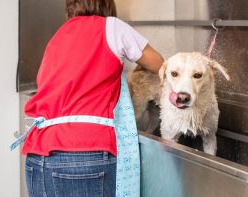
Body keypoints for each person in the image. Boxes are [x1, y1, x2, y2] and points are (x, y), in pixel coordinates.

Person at [19, 0, 164, 196]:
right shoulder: (112, 26)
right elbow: (160, 64)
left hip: (37, 159)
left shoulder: (59, 35)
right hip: (85, 157)